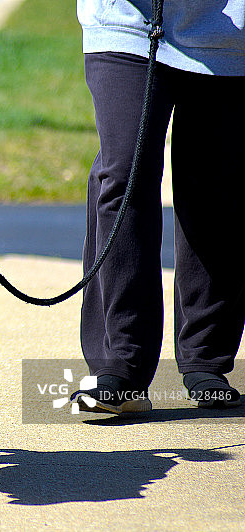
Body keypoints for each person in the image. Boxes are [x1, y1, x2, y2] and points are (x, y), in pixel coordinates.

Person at [71, 0, 245, 414]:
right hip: (126, 23)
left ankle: (207, 358)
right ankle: (121, 364)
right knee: (123, 176)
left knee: (215, 188)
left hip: (227, 36)